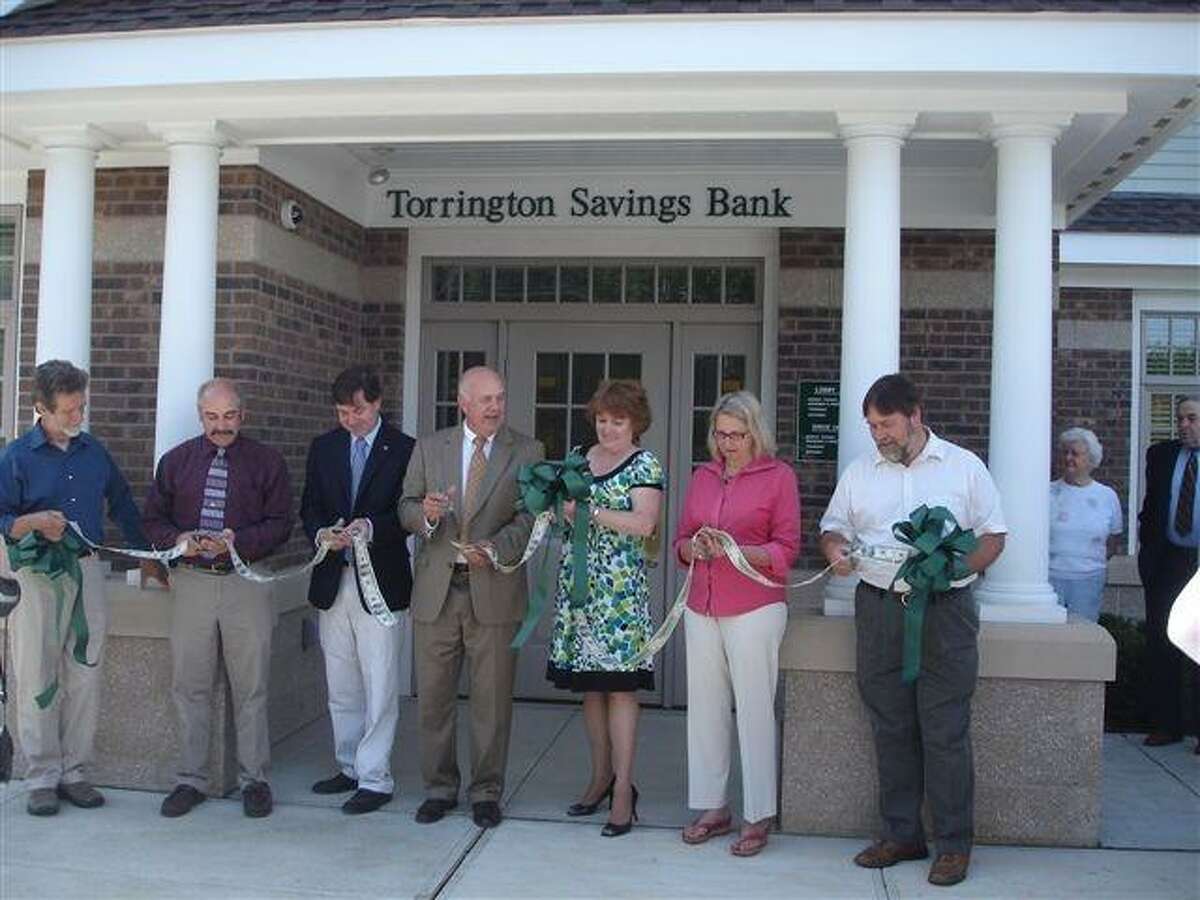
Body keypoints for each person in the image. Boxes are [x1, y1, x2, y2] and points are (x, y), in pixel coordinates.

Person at [819, 373, 1006, 888]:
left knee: (945, 729)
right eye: (872, 426)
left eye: (887, 424)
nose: (879, 434)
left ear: (916, 415)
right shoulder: (860, 472)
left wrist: (954, 568)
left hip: (946, 612)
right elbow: (833, 527)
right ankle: (902, 835)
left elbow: (994, 536)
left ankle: (953, 845)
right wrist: (835, 550)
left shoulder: (964, 467)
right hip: (879, 610)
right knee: (891, 725)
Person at [0, 360, 160, 816]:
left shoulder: (94, 452)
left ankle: (75, 772)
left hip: (87, 570)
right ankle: (41, 777)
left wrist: (147, 556)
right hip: (37, 574)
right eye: (69, 410)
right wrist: (31, 521)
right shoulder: (16, 456)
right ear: (41, 408)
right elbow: (2, 516)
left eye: (81, 408)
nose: (78, 417)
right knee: (37, 673)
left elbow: (123, 502)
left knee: (85, 672)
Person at [399, 366, 543, 829]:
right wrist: (426, 515)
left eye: (500, 398)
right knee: (434, 699)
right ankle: (439, 789)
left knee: (492, 702)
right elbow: (404, 506)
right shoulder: (430, 447)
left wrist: (495, 548)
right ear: (463, 403)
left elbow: (530, 517)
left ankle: (486, 792)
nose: (495, 407)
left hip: (494, 589)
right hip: (437, 593)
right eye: (486, 400)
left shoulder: (527, 451)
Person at [144, 378, 292, 819]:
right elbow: (152, 520)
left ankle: (255, 780)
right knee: (189, 685)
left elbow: (282, 522)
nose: (221, 425)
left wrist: (237, 542)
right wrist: (179, 540)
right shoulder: (176, 462)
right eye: (212, 417)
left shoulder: (267, 462)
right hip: (191, 582)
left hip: (246, 581)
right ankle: (191, 780)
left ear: (243, 416)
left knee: (251, 686)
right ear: (200, 416)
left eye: (229, 416)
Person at [674, 390, 799, 857]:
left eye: (737, 435)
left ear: (755, 433)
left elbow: (787, 548)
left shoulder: (779, 477)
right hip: (702, 605)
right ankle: (713, 806)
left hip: (755, 607)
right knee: (705, 710)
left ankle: (759, 813)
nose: (728, 443)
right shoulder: (703, 476)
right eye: (721, 434)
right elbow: (681, 540)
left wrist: (740, 552)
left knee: (753, 709)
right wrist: (694, 547)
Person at [545, 380, 664, 838]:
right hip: (579, 591)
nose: (608, 428)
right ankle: (600, 778)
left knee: (620, 690)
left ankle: (623, 791)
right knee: (590, 689)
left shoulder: (644, 464)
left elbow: (645, 523)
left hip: (619, 598)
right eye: (602, 419)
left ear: (635, 423)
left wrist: (589, 512)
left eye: (618, 421)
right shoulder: (579, 457)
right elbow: (560, 513)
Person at [300, 365, 415, 814]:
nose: (351, 419)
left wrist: (371, 527)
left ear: (378, 403)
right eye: (343, 412)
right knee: (342, 683)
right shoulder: (324, 447)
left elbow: (407, 514)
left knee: (380, 682)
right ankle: (348, 765)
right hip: (333, 579)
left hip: (382, 582)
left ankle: (375, 778)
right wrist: (322, 533)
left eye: (359, 411)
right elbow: (309, 505)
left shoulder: (404, 449)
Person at [1138, 395, 1200, 752]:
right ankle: (1166, 724)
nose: (1183, 425)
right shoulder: (1161, 456)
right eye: (1180, 419)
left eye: (1191, 418)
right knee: (1163, 640)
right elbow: (1151, 509)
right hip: (1169, 562)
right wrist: (1148, 555)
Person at [1048, 427, 1123, 622]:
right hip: (1049, 577)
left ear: (1091, 459)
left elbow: (1113, 539)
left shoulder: (1107, 496)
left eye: (1075, 453)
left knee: (1083, 629)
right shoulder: (1047, 492)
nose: (1068, 458)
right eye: (1065, 452)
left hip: (1089, 578)